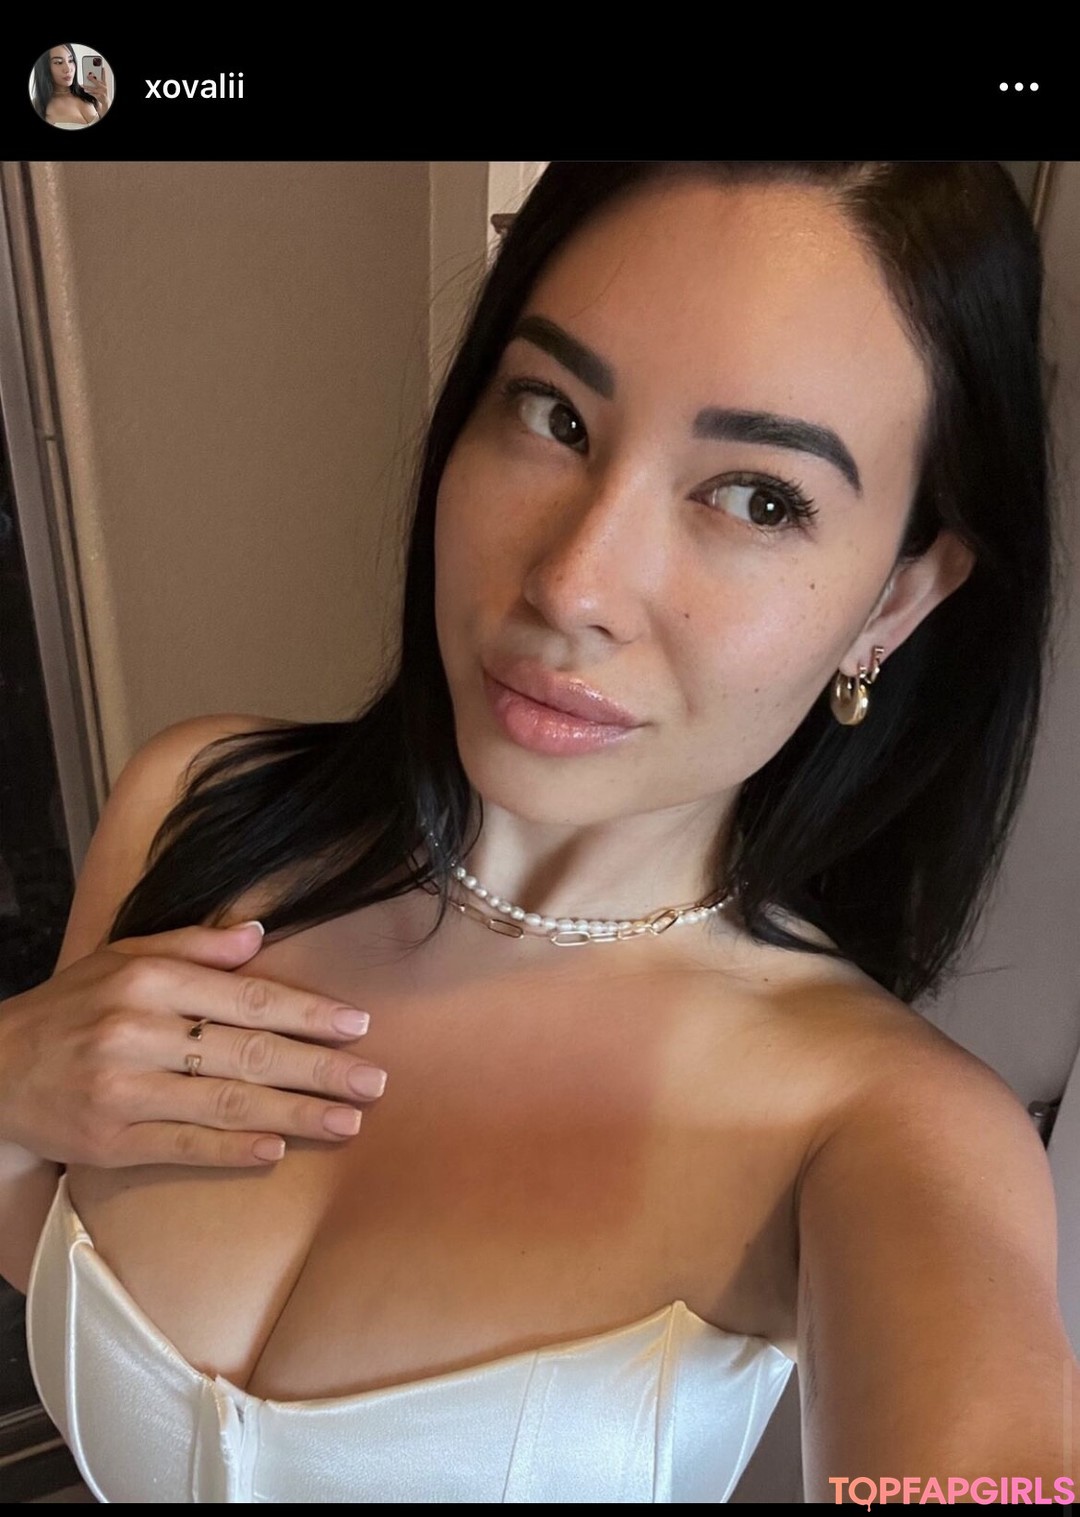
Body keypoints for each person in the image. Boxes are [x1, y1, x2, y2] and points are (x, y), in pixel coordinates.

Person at [1, 161, 1078, 1503]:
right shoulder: (198, 807)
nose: (574, 584)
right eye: (556, 414)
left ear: (898, 600)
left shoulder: (880, 1128)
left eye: (758, 497)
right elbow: (49, 1248)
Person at [30, 44, 109, 129]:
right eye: (59, 62)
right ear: (44, 68)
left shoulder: (88, 93)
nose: (68, 69)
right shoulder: (37, 105)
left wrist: (106, 102)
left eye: (71, 60)